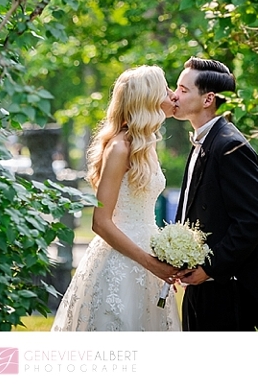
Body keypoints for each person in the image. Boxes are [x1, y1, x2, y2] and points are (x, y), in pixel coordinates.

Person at [51, 65, 181, 331]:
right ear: (149, 100)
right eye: (166, 90)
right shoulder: (120, 148)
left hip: (150, 258)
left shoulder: (146, 145)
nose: (173, 95)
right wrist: (149, 263)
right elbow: (100, 222)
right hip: (121, 262)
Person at [171, 57, 258, 331]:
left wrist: (210, 268)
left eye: (183, 89)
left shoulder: (230, 146)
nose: (174, 95)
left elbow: (255, 219)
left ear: (208, 99)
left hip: (227, 293)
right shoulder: (203, 141)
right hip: (201, 289)